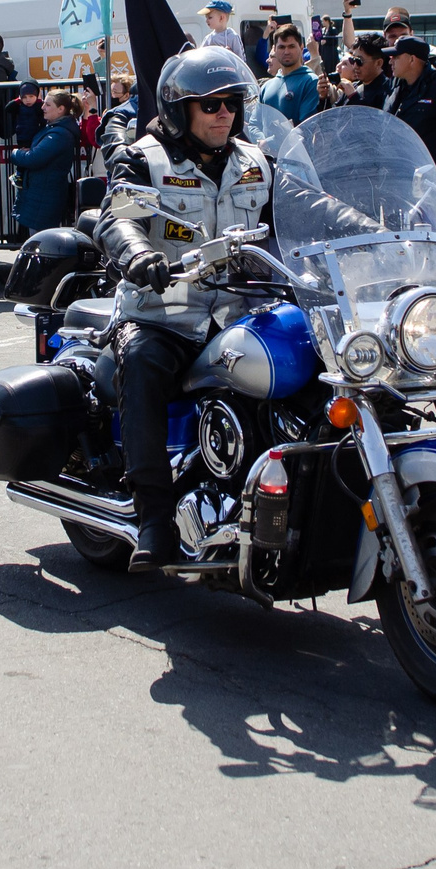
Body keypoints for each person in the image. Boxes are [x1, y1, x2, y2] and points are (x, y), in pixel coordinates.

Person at [98, 48, 270, 570]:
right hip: (165, 312)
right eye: (211, 105)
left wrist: (366, 225)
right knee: (143, 363)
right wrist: (137, 253)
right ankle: (153, 515)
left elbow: (306, 204)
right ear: (178, 110)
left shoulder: (256, 160)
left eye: (232, 103)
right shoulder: (144, 159)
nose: (225, 114)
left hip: (238, 312)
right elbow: (117, 217)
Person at [383, 37, 436, 188]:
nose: (390, 61)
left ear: (412, 59)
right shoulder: (396, 86)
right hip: (399, 173)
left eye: (396, 57)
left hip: (430, 177)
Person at [11, 89, 82, 234]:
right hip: (41, 193)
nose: (42, 107)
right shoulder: (54, 128)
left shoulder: (59, 134)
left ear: (61, 109)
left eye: (48, 105)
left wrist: (16, 153)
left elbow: (34, 158)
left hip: (45, 196)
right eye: (44, 103)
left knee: (40, 240)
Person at [258, 23, 321, 125]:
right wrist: (260, 135)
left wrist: (273, 135)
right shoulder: (266, 87)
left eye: (291, 46)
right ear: (274, 50)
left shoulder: (310, 81)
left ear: (301, 48)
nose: (286, 52)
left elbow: (306, 125)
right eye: (281, 47)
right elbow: (254, 124)